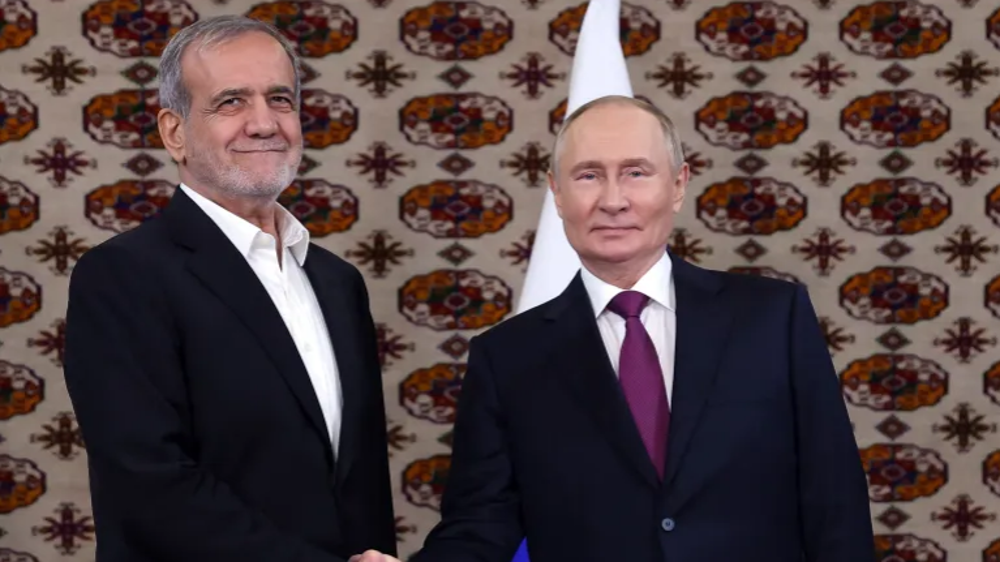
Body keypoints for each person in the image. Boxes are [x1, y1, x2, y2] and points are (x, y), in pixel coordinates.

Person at [353, 95, 874, 562]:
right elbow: (481, 523)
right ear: (557, 194)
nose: (613, 199)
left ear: (678, 184)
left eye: (636, 172)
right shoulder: (506, 358)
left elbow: (835, 503)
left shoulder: (772, 318)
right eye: (588, 175)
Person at [64, 16, 395, 562]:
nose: (264, 123)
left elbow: (359, 484)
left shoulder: (338, 283)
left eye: (280, 99)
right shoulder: (122, 277)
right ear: (175, 133)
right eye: (231, 102)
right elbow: (150, 485)